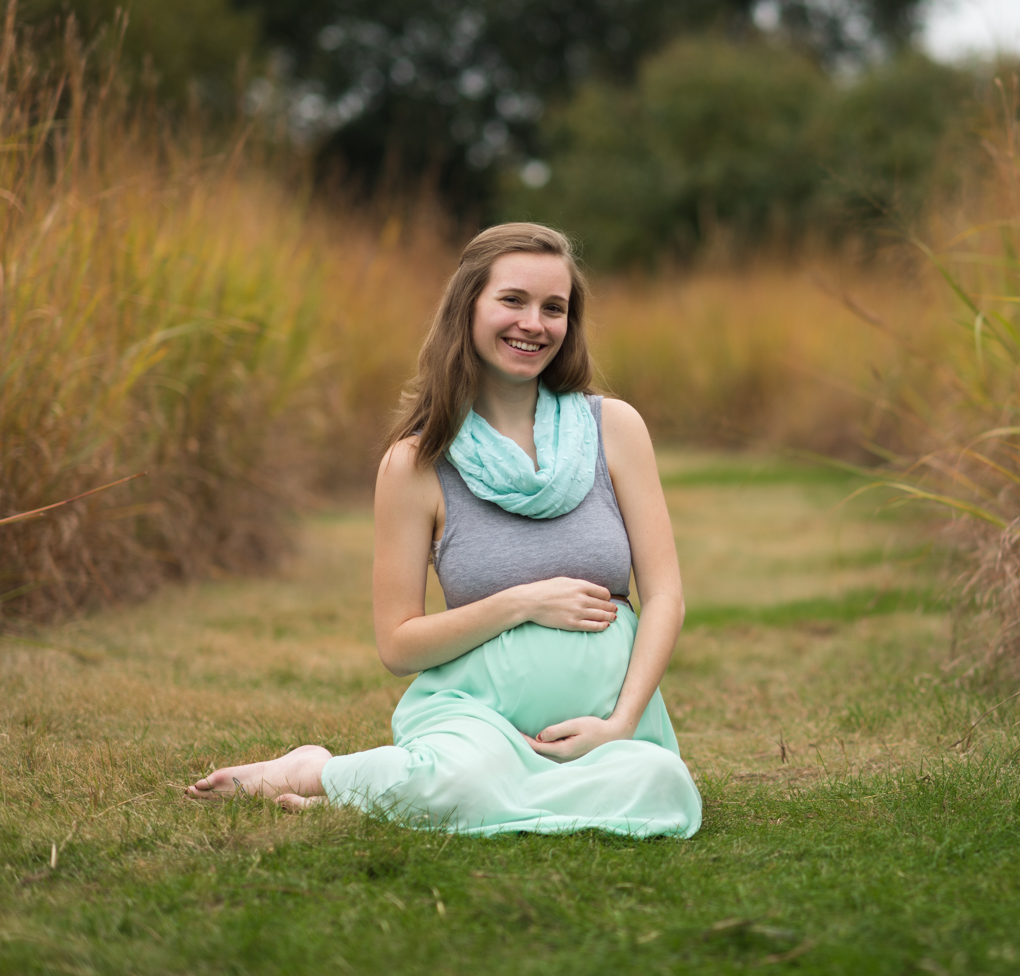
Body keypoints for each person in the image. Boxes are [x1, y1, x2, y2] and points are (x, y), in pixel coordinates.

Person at [185, 223, 702, 838]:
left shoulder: (615, 428)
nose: (533, 323)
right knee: (464, 778)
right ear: (468, 306)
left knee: (663, 785)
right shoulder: (416, 463)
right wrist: (525, 602)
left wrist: (619, 724)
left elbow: (666, 595)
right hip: (476, 719)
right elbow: (399, 645)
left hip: (601, 720)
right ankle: (319, 770)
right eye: (512, 300)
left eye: (554, 308)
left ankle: (410, 792)